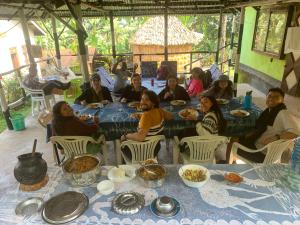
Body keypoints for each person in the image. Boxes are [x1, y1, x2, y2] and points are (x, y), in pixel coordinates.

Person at [236, 88, 299, 163]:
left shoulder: (283, 113)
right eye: (269, 96)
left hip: (262, 154)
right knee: (237, 138)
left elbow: (296, 133)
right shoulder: (268, 112)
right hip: (259, 147)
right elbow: (258, 128)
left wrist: (277, 137)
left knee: (230, 144)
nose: (272, 99)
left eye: (276, 97)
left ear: (282, 100)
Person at [120, 90, 173, 160]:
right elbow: (170, 116)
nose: (142, 102)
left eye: (147, 100)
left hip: (141, 153)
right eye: (142, 99)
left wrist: (125, 136)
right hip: (155, 149)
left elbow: (140, 137)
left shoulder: (146, 116)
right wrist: (141, 115)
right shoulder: (159, 110)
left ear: (153, 103)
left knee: (121, 141)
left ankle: (127, 166)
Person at [179, 95, 227, 162]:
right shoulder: (215, 113)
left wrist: (196, 121)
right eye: (201, 103)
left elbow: (205, 135)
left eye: (206, 102)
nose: (202, 104)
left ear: (212, 103)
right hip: (209, 149)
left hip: (202, 152)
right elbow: (203, 111)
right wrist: (196, 110)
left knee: (183, 133)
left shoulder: (210, 117)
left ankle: (181, 150)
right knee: (187, 132)